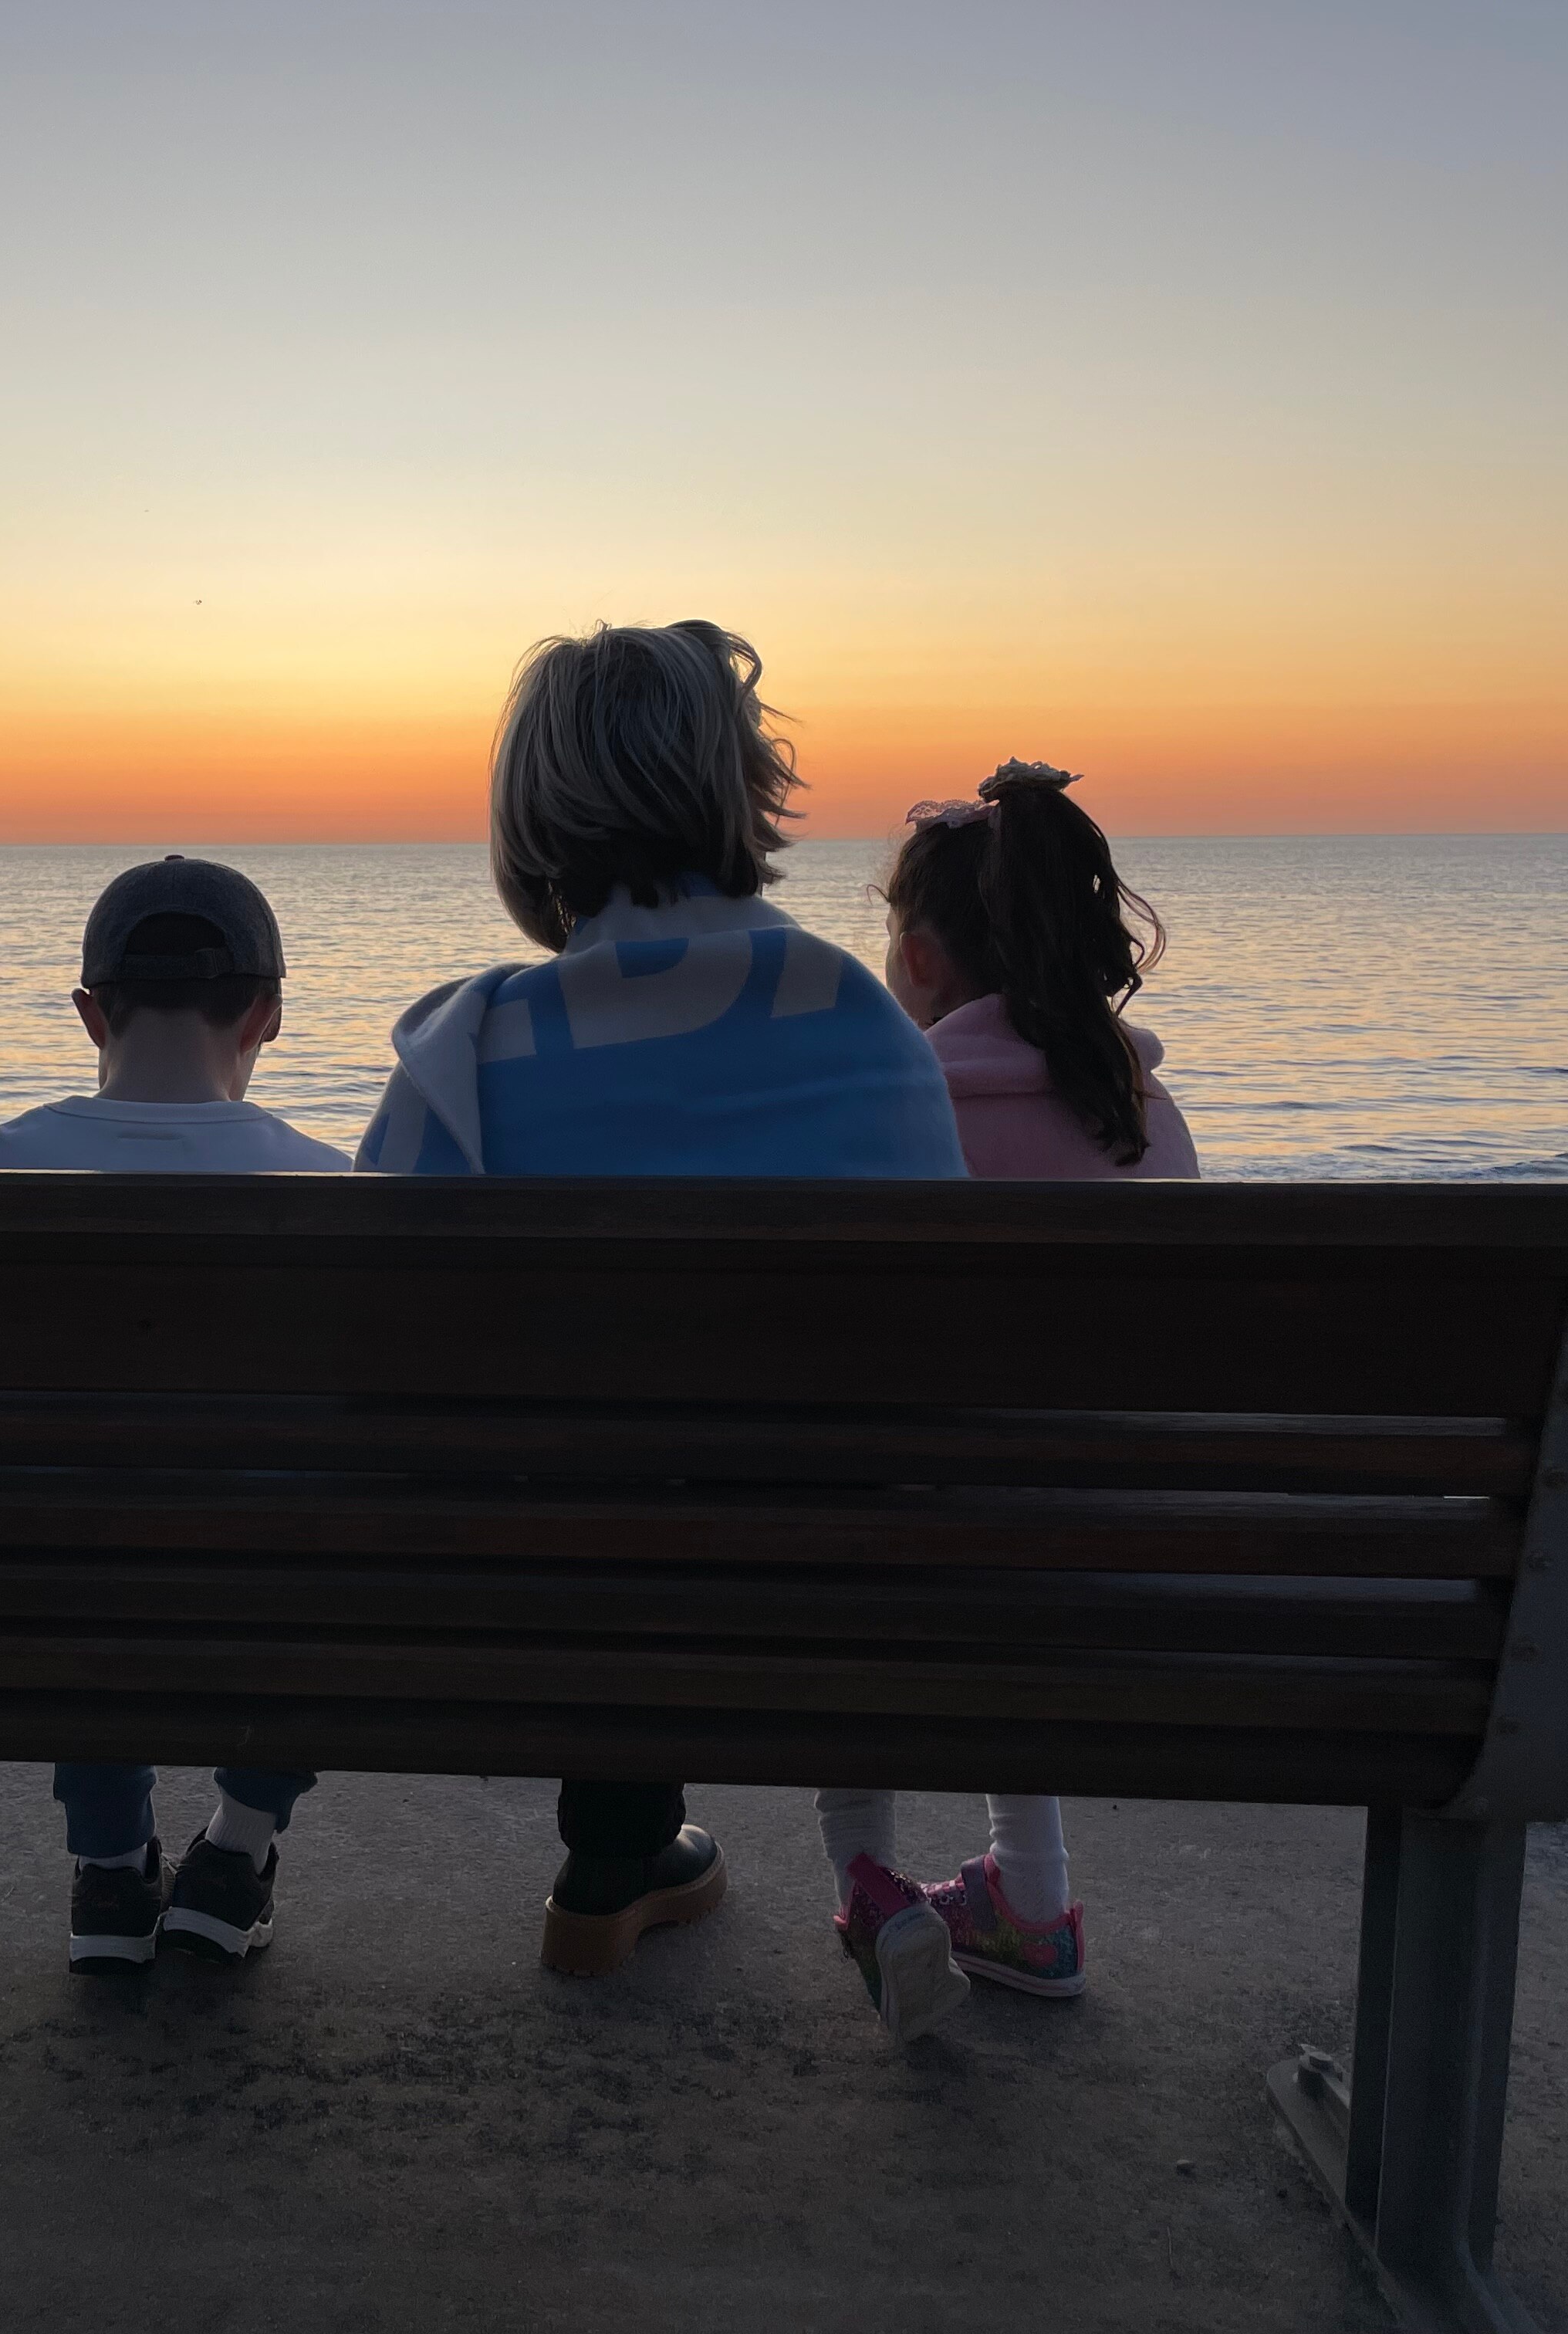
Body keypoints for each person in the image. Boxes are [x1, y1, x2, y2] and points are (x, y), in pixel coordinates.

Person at [357, 621, 971, 2038]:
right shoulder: (865, 1023)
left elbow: (367, 1351)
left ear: (533, 818)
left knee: (586, 1478)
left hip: (524, 1601)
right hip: (838, 1592)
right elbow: (936, 1366)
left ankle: (616, 1846)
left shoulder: (471, 1050)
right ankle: (630, 1851)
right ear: (736, 795)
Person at [0, 856, 345, 1970]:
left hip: (42, 1604)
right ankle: (236, 1850)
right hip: (275, 1603)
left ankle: (111, 1871)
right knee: (318, 1549)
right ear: (266, 1014)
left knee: (75, 1533)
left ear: (91, 1013)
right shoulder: (337, 1187)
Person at [857, 756, 1198, 2003]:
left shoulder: (890, 1116)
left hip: (900, 1574)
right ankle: (1031, 1901)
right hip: (1120, 1564)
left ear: (925, 962)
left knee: (882, 1508)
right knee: (1022, 1491)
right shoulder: (1147, 1117)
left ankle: (865, 1886)